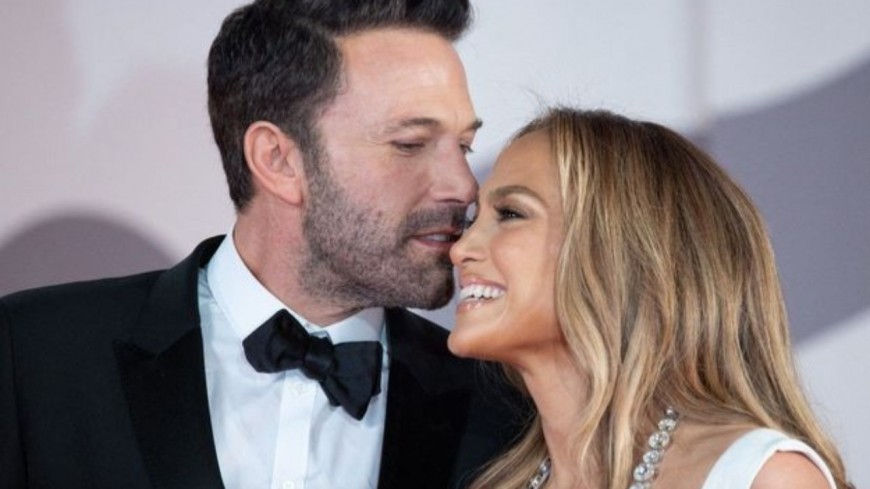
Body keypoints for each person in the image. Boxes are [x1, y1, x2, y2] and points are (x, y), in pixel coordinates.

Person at [0, 1, 523, 488]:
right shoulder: (34, 356)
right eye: (410, 144)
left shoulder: (503, 409)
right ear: (277, 160)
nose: (463, 187)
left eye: (463, 145)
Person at [448, 107, 853, 489]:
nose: (460, 249)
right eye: (472, 220)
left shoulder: (758, 477)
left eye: (511, 214)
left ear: (618, 251)